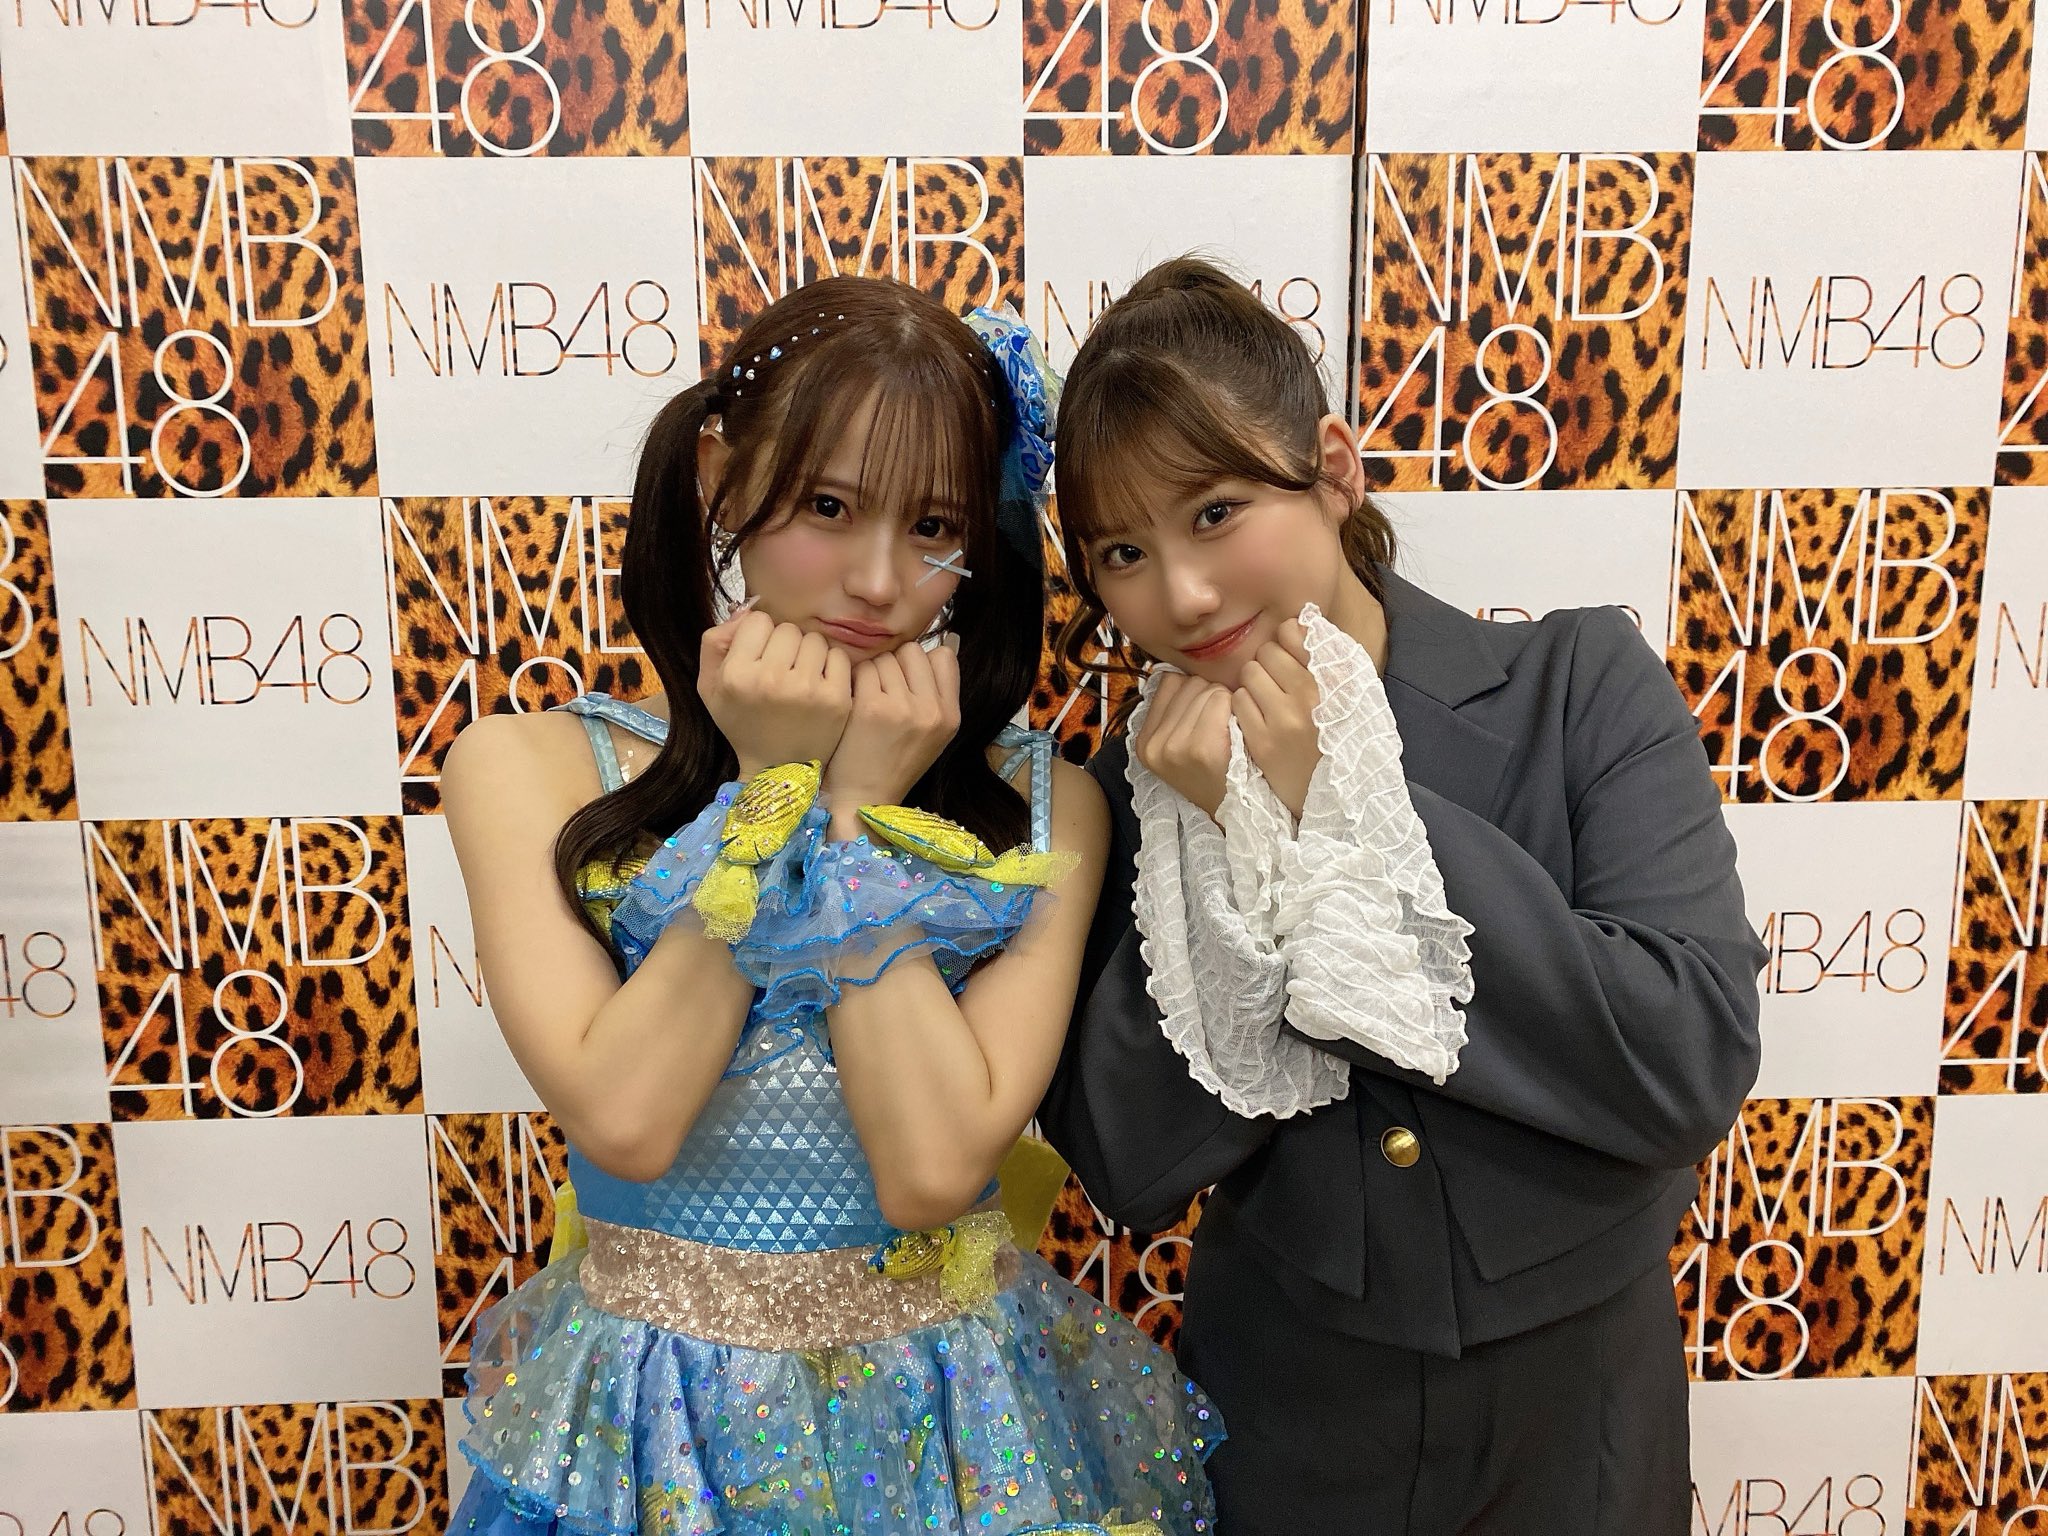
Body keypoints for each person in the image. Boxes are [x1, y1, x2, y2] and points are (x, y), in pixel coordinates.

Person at [438, 275, 1221, 1536]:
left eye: (933, 526)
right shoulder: (526, 767)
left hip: (949, 1430)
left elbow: (932, 1170)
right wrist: (772, 792)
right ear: (720, 477)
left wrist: (852, 815)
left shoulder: (1047, 806)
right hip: (653, 1427)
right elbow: (627, 1118)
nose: (877, 580)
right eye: (826, 506)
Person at [1036, 255, 1766, 1534]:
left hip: (1578, 1412)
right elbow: (1128, 1166)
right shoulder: (1134, 788)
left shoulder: (1575, 685)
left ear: (1332, 468)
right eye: (1123, 551)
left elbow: (1686, 1057)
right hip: (1284, 1412)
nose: (1182, 594)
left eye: (1215, 511)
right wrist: (1224, 842)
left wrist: (1337, 804)